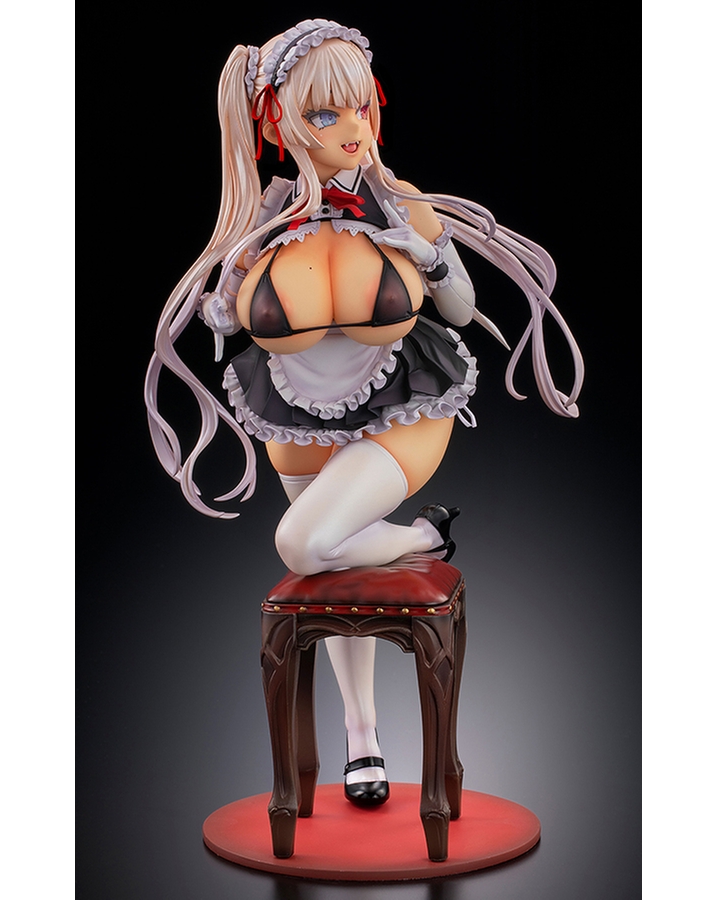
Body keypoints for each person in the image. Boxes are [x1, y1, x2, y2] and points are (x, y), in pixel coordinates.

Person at [145, 18, 583, 806]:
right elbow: (223, 318)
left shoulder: (398, 200)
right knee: (333, 576)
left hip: (400, 409)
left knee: (304, 543)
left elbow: (460, 306)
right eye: (326, 113)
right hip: (294, 418)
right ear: (279, 123)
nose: (354, 128)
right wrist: (226, 298)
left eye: (362, 106)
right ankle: (362, 738)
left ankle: (420, 536)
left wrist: (429, 257)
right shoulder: (262, 220)